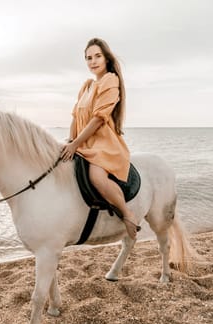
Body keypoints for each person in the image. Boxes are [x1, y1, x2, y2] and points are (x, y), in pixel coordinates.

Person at [60, 37, 140, 239]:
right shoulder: (86, 85)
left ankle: (127, 213)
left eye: (97, 56)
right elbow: (75, 117)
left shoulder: (111, 81)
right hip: (81, 143)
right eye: (88, 58)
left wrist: (77, 143)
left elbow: (98, 119)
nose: (93, 61)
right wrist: (70, 141)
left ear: (106, 58)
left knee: (96, 177)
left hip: (103, 144)